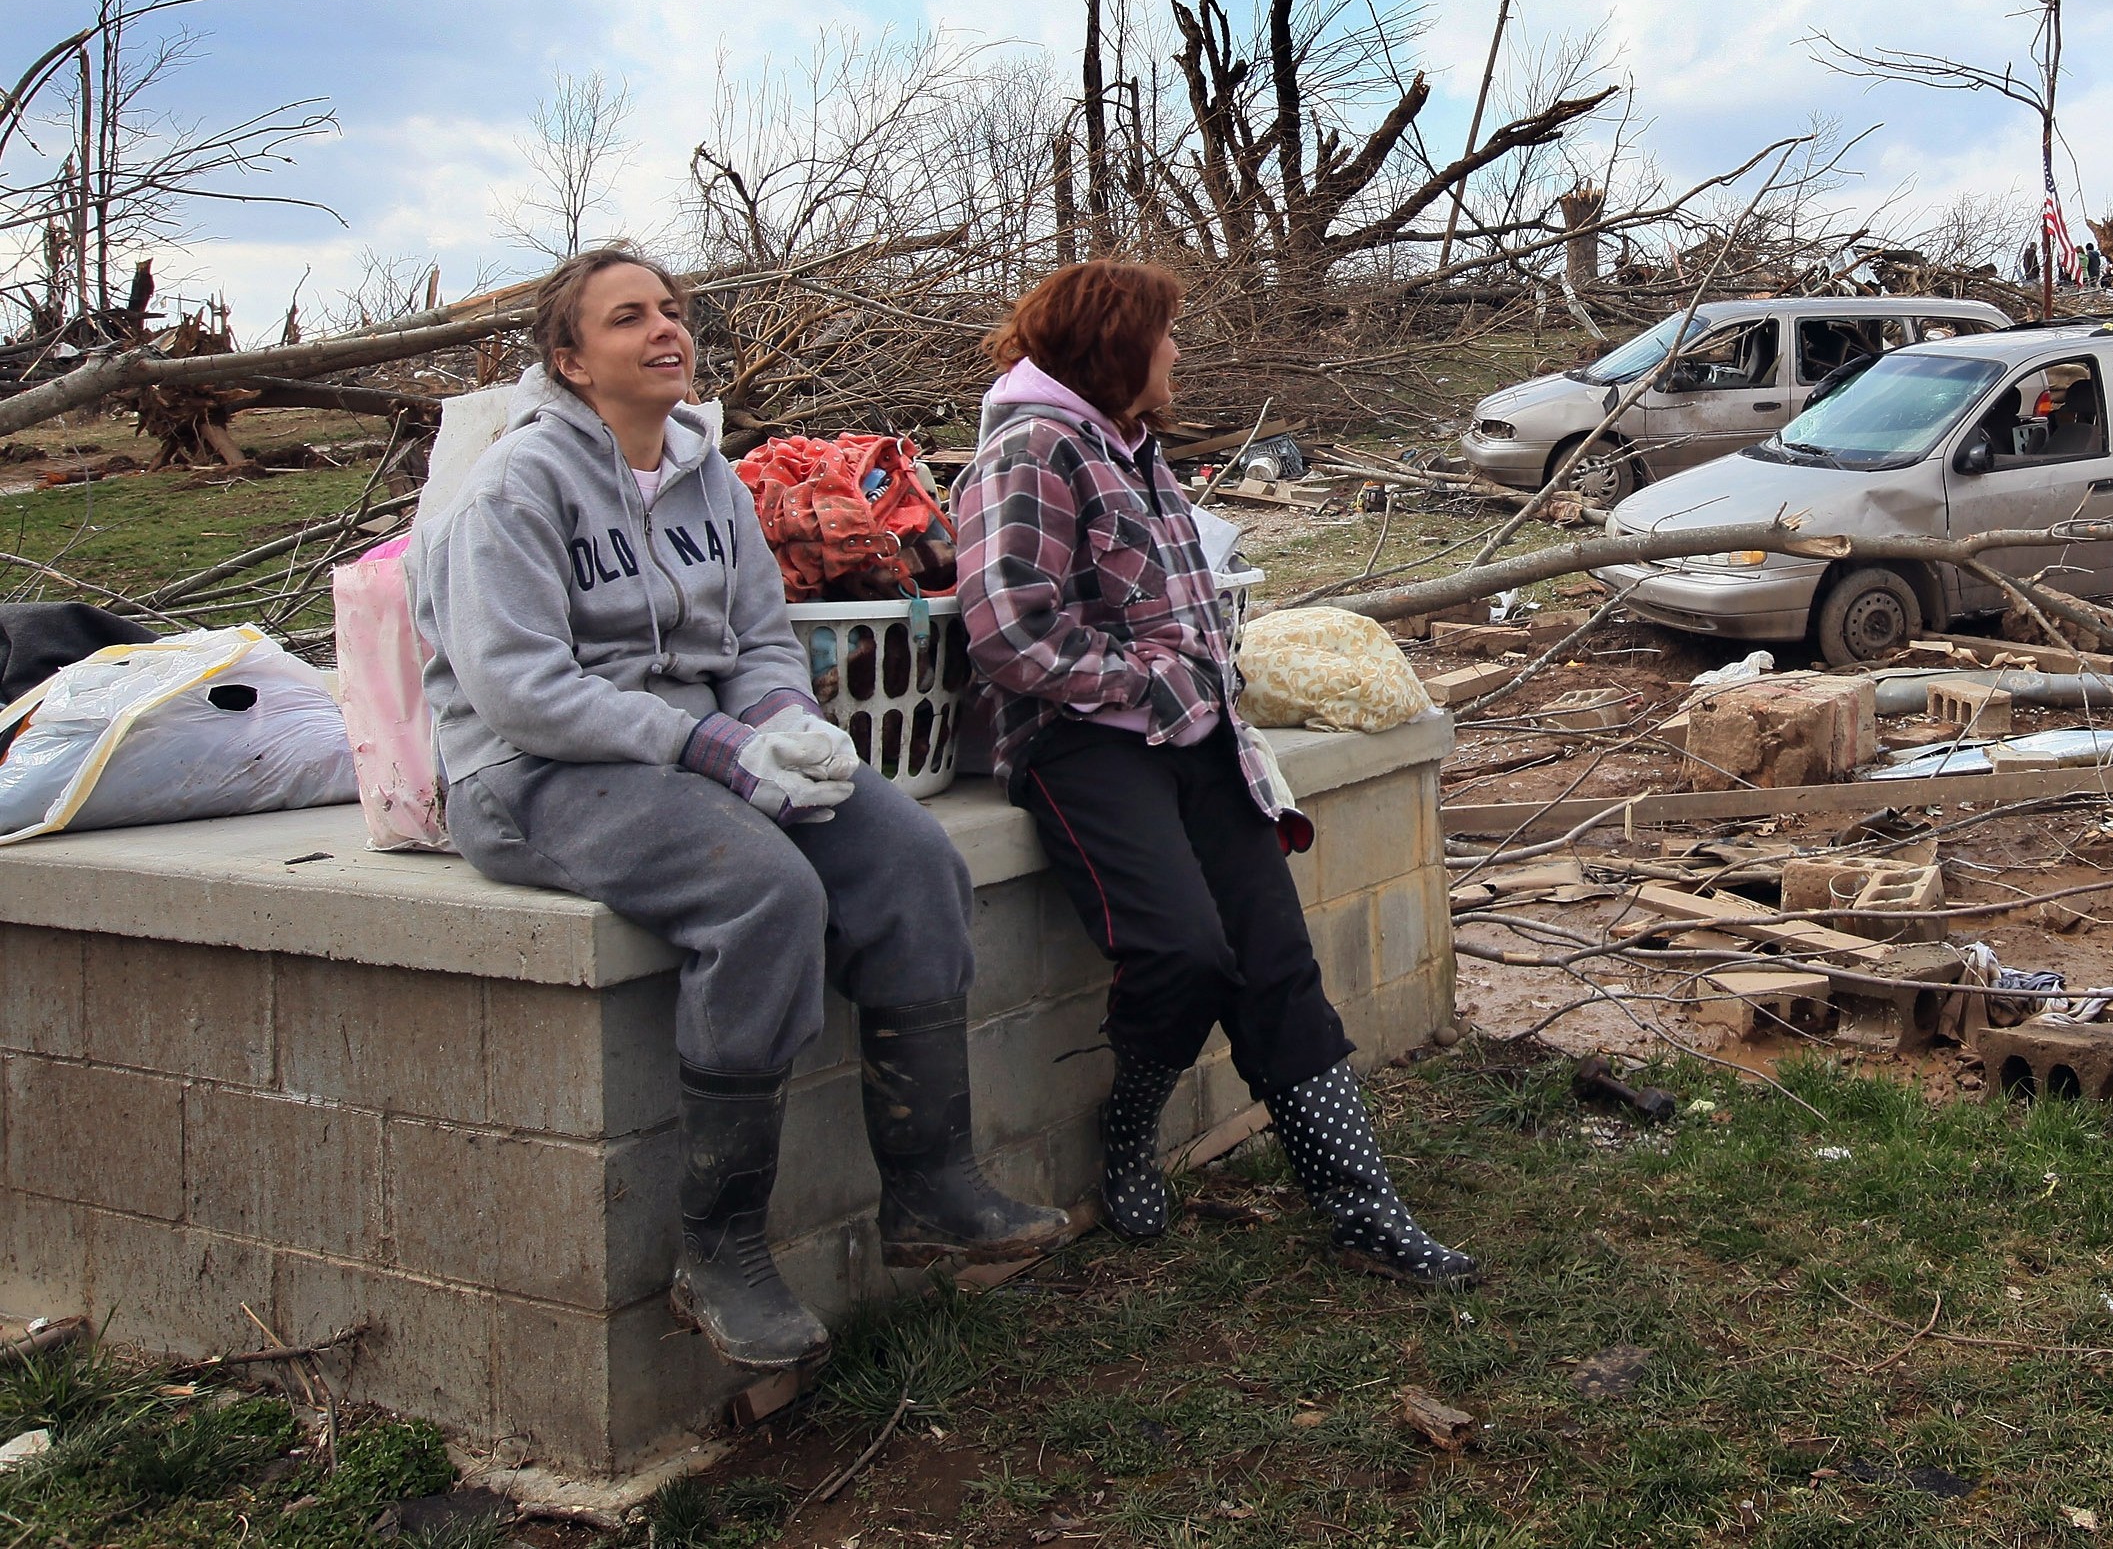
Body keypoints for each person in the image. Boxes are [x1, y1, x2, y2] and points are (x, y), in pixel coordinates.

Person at [411, 248, 1065, 1373]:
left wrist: (775, 721)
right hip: (532, 774)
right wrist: (706, 743)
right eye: (630, 319)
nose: (667, 330)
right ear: (570, 361)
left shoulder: (708, 475)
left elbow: (760, 636)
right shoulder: (514, 490)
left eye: (672, 310)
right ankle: (719, 1250)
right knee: (764, 892)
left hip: (694, 750)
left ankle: (930, 1184)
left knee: (911, 858)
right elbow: (522, 688)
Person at [953, 258, 1476, 1288]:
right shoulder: (1032, 448)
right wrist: (1148, 683)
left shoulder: (1132, 446)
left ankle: (1362, 1205)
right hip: (1083, 742)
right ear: (1118, 345)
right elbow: (1009, 628)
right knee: (1186, 951)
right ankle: (1131, 1126)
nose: (1179, 350)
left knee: (1274, 956)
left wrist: (1192, 693)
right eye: (1168, 332)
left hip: (1191, 730)